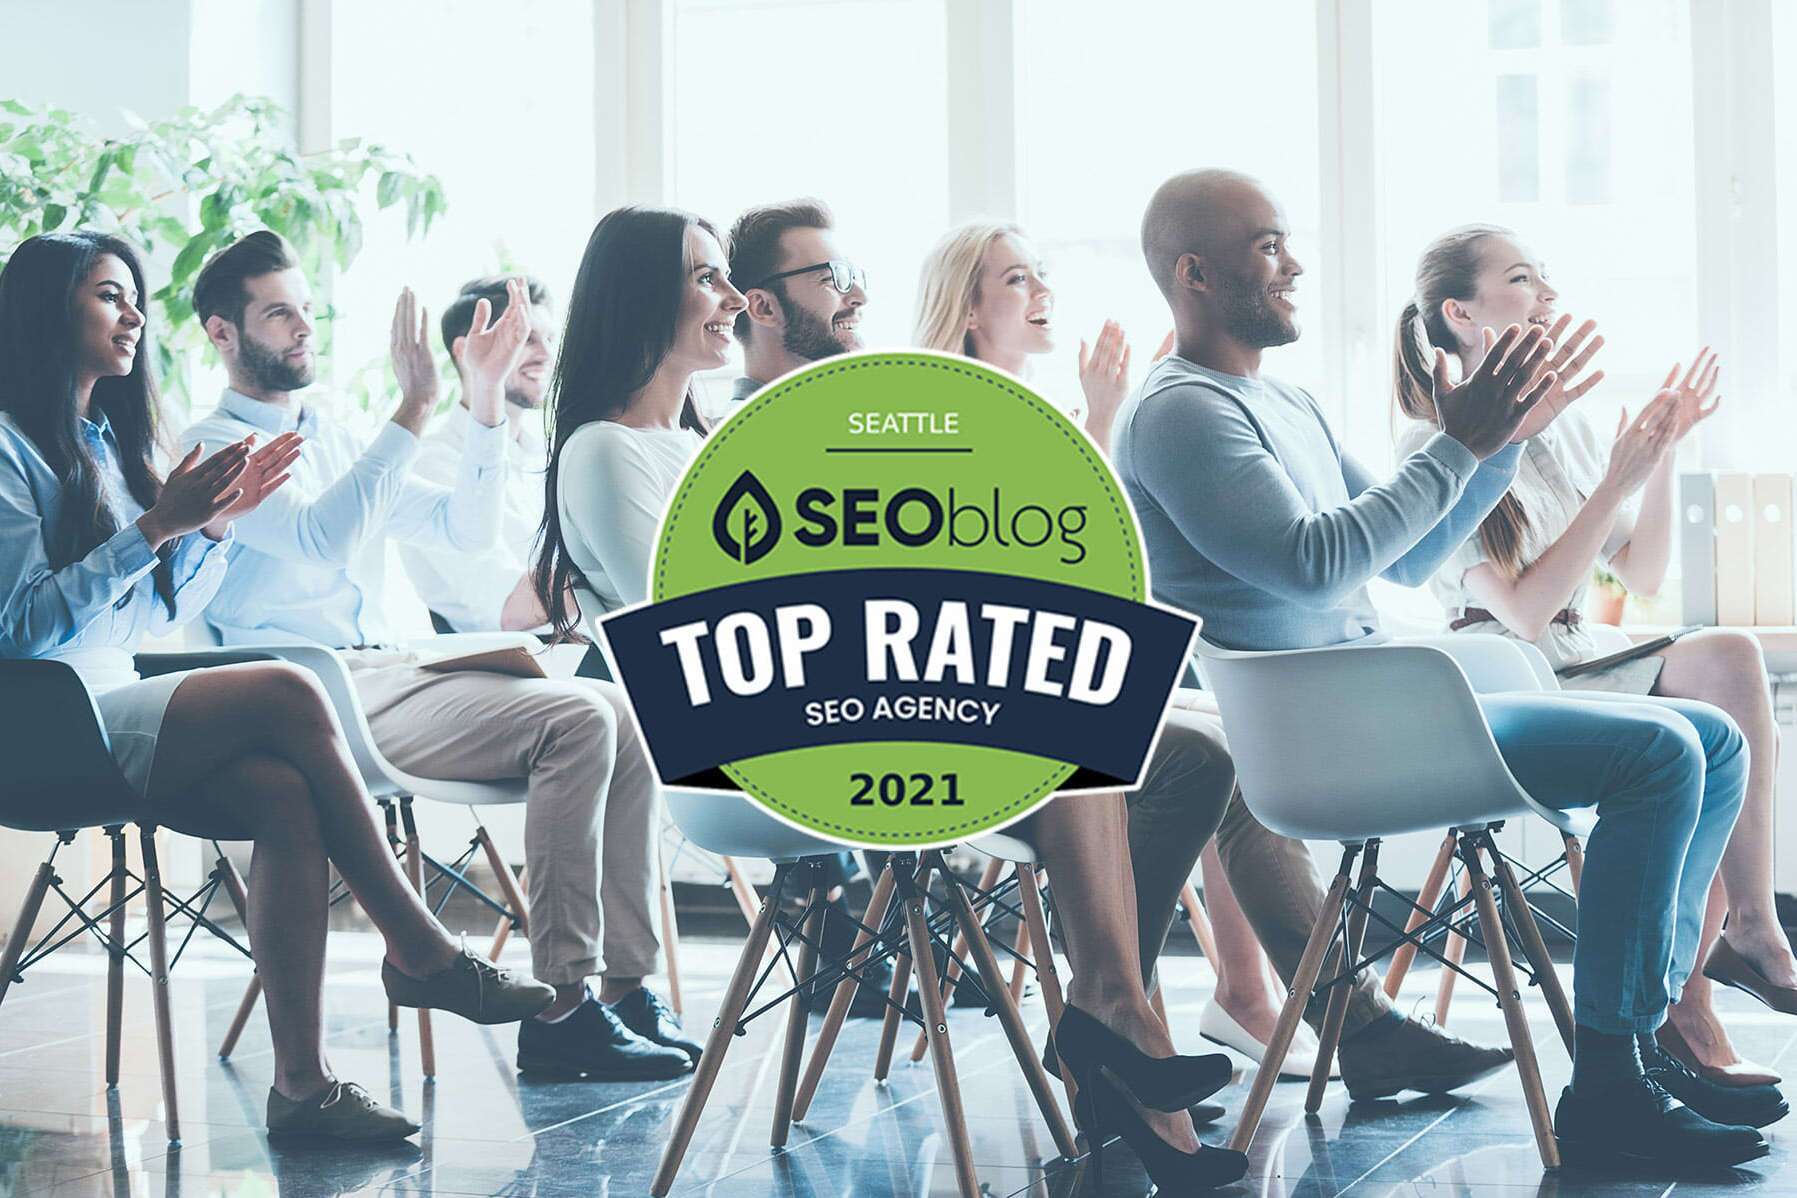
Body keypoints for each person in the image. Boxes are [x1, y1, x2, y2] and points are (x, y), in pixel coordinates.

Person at [1118, 168, 1774, 1166]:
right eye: (1268, 247)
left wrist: (1500, 445)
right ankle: (1614, 1079)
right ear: (1195, 273)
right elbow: (1316, 560)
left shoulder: (1281, 399)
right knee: (1660, 758)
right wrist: (1459, 442)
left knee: (1715, 742)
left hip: (1379, 700)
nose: (1294, 262)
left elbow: (1413, 557)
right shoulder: (1178, 412)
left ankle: (1633, 1045)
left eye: (1288, 240)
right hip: (1324, 733)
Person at [0, 231, 553, 1143]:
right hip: (47, 722)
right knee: (289, 691)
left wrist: (207, 533)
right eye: (109, 295)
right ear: (43, 310)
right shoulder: (11, 449)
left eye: (134, 296)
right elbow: (19, 631)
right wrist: (158, 527)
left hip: (111, 693)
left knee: (284, 792)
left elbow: (139, 622)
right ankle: (417, 946)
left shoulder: (109, 443)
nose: (135, 315)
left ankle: (303, 1090)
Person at [178, 231, 697, 1083]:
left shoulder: (336, 433)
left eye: (306, 309)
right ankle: (563, 1009)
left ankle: (627, 986)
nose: (304, 328)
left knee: (624, 710)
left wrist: (481, 399)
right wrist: (414, 410)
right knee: (574, 721)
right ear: (221, 334)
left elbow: (463, 526)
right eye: (279, 314)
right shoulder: (207, 449)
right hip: (309, 693)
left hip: (390, 667)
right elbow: (319, 537)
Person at [914, 220, 1329, 1079]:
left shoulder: (1042, 419)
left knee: (1226, 745)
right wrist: (1097, 429)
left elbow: (1094, 591)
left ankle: (1150, 1009)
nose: (1042, 295)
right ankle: (1126, 1012)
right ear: (966, 308)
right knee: (1182, 754)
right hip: (971, 704)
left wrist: (1093, 425)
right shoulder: (937, 421)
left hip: (1043, 686)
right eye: (1018, 281)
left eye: (1040, 275)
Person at [1395, 224, 1797, 1088]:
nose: (1546, 293)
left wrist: (1658, 457)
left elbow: (1641, 572)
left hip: (1585, 655)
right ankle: (1685, 999)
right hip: (1509, 676)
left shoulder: (1565, 432)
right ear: (1459, 313)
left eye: (1545, 277)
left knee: (1728, 655)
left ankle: (1748, 929)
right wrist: (1615, 478)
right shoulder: (1433, 447)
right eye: (1520, 279)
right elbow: (1527, 614)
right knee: (1697, 735)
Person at [724, 199, 889, 1017]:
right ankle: (865, 920)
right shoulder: (726, 432)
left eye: (850, 276)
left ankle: (885, 921)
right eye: (831, 280)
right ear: (760, 305)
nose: (852, 297)